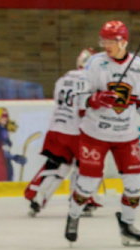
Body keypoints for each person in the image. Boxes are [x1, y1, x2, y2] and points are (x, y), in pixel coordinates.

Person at [66, 20, 140, 247]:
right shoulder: (95, 64)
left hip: (126, 135)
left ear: (124, 41)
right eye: (104, 41)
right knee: (88, 184)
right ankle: (74, 215)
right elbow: (77, 98)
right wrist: (96, 99)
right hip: (95, 133)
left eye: (111, 41)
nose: (106, 45)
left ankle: (127, 226)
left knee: (135, 182)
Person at [25, 48, 101, 217]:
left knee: (56, 166)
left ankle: (37, 198)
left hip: (57, 128)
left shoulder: (63, 79)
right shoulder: (92, 80)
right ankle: (84, 201)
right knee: (85, 167)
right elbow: (87, 107)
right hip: (78, 131)